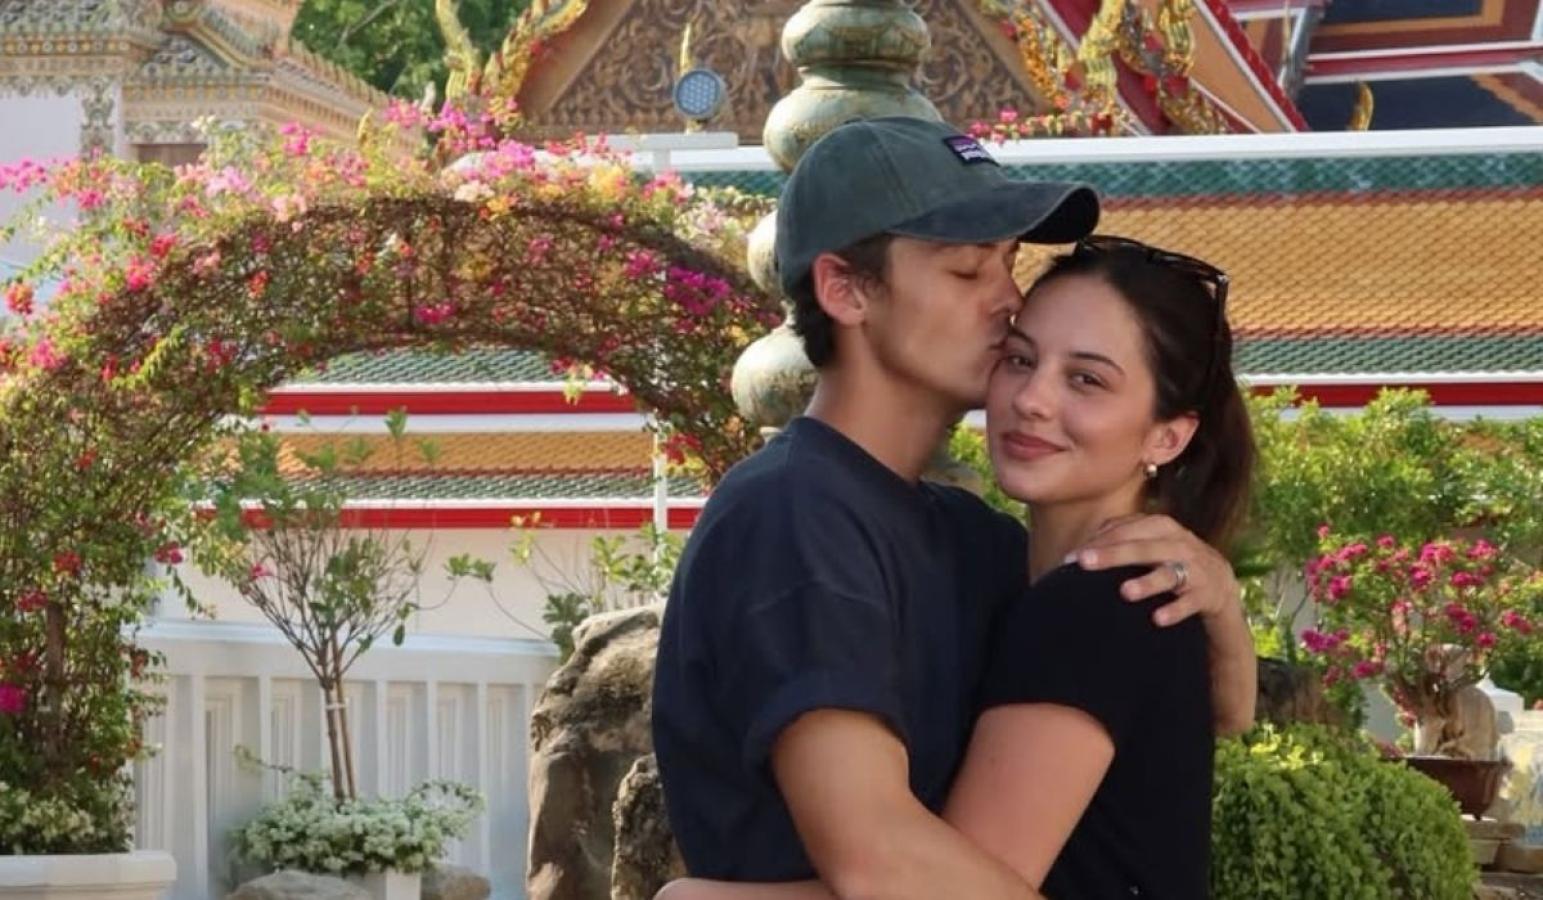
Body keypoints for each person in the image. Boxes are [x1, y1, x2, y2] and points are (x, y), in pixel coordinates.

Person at [651, 117, 1257, 900]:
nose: (1008, 302)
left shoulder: (974, 539)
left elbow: (1190, 711)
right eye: (968, 271)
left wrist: (1219, 603)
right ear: (845, 289)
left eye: (1008, 264)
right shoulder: (795, 516)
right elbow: (878, 860)